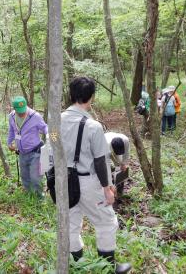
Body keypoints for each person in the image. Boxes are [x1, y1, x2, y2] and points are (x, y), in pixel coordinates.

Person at [61, 77, 131, 273]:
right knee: (107, 222)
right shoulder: (93, 126)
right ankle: (107, 268)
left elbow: (51, 146)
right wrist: (108, 189)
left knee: (71, 224)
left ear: (71, 95)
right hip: (87, 182)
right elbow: (101, 161)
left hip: (63, 181)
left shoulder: (55, 122)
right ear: (91, 97)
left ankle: (77, 265)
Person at [7, 96, 48, 197]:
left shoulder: (35, 116)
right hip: (22, 152)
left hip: (35, 151)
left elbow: (46, 128)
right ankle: (29, 196)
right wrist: (9, 143)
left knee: (35, 177)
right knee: (24, 177)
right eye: (19, 111)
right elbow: (12, 131)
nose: (22, 113)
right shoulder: (11, 116)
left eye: (23, 110)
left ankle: (39, 198)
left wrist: (54, 139)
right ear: (14, 109)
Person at [104, 132, 130, 196]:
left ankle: (120, 187)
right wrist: (110, 183)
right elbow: (106, 163)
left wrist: (123, 164)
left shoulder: (125, 140)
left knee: (120, 164)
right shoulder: (105, 145)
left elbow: (126, 153)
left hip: (113, 146)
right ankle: (111, 187)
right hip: (106, 148)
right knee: (109, 169)